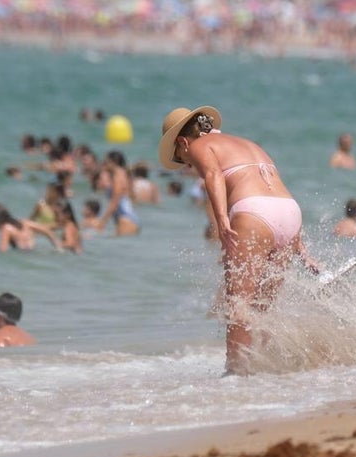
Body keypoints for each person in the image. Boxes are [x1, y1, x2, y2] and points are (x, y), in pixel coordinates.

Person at [159, 105, 318, 375]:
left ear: (183, 141)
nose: (188, 165)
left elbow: (213, 175)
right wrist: (300, 245)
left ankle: (236, 376)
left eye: (182, 159)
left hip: (253, 214)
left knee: (239, 306)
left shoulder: (200, 146)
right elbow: (273, 189)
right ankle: (266, 368)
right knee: (262, 307)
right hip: (290, 213)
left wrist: (222, 220)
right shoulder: (247, 144)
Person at [100, 151, 140, 236]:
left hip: (125, 219)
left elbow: (114, 202)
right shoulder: (125, 174)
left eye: (106, 161)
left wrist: (102, 221)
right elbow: (133, 198)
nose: (104, 163)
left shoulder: (118, 177)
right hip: (130, 218)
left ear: (113, 162)